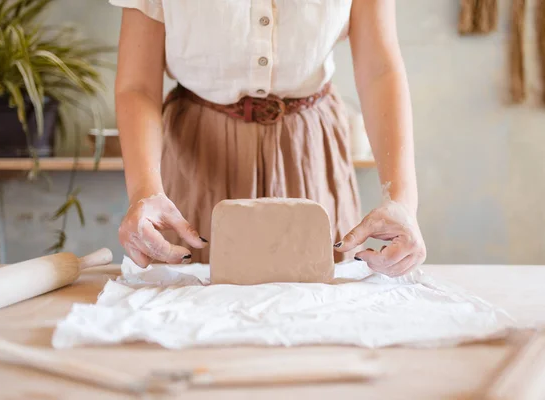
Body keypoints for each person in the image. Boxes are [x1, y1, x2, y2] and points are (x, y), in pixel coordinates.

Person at [112, 0, 426, 277]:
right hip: (196, 152)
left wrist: (401, 199)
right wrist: (144, 191)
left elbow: (379, 70)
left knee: (317, 313)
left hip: (308, 150)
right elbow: (137, 84)